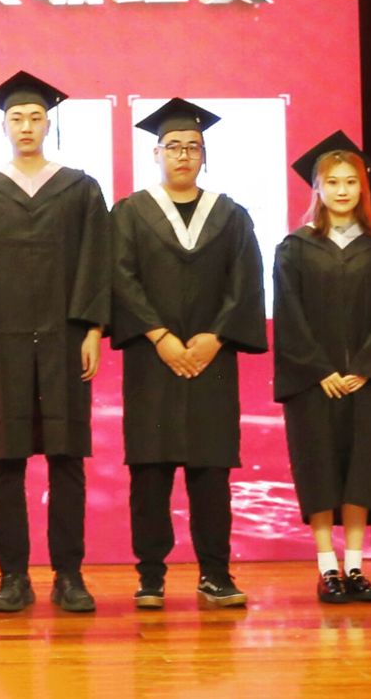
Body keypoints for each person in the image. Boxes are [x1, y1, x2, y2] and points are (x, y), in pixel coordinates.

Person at [0, 72, 111, 613]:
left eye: (35, 118)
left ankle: (69, 574)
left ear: (48, 124)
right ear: (4, 126)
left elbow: (96, 261)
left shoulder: (80, 189)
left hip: (66, 338)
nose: (26, 126)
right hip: (5, 342)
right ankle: (13, 576)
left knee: (67, 458)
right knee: (7, 458)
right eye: (16, 118)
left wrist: (93, 329)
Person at [110, 98, 267, 610]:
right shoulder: (131, 213)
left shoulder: (230, 215)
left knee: (211, 471)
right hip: (152, 359)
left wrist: (215, 337)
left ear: (204, 155)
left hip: (211, 360)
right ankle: (151, 577)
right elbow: (121, 278)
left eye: (192, 147)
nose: (183, 155)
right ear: (156, 153)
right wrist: (160, 336)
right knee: (150, 472)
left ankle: (215, 574)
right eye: (173, 146)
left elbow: (245, 282)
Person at [273, 131, 371, 605]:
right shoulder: (295, 248)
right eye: (332, 182)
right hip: (316, 384)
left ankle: (355, 567)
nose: (341, 190)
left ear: (362, 188)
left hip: (365, 382)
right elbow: (289, 317)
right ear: (317, 188)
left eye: (350, 181)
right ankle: (326, 567)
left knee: (362, 472)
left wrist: (368, 368)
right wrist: (319, 370)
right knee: (320, 471)